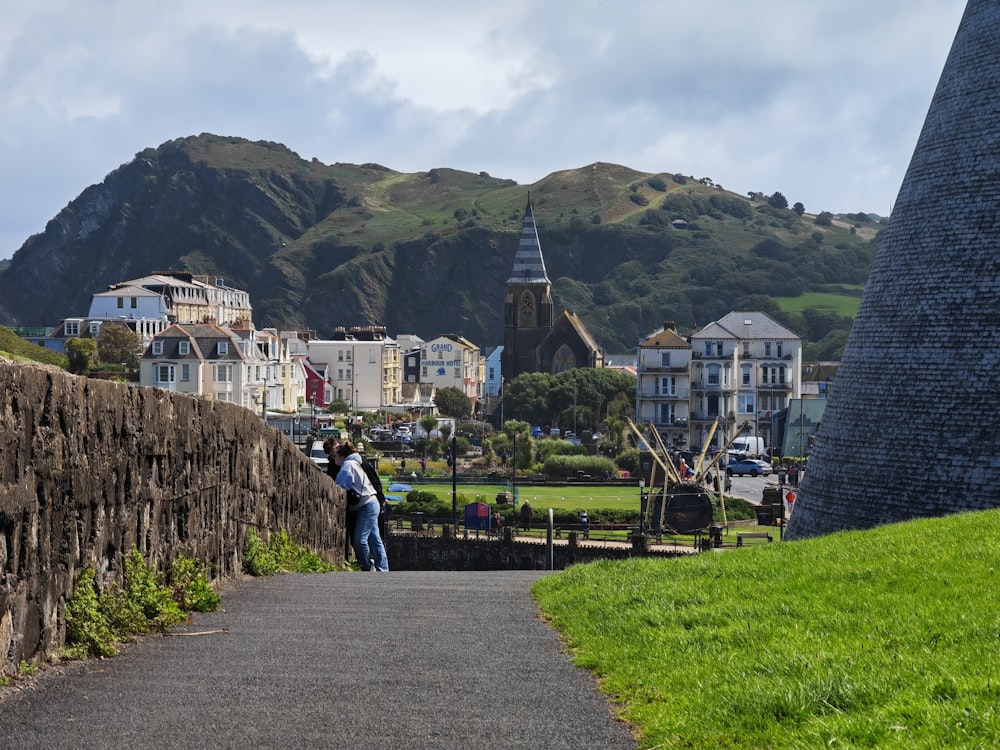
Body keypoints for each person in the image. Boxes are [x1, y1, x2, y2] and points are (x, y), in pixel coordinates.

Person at [334, 442, 389, 572]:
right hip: (371, 502)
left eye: (335, 456)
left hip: (366, 505)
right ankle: (383, 568)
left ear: (342, 456)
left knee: (359, 540)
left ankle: (367, 567)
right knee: (374, 539)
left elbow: (341, 485)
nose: (333, 458)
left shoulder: (348, 465)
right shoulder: (355, 463)